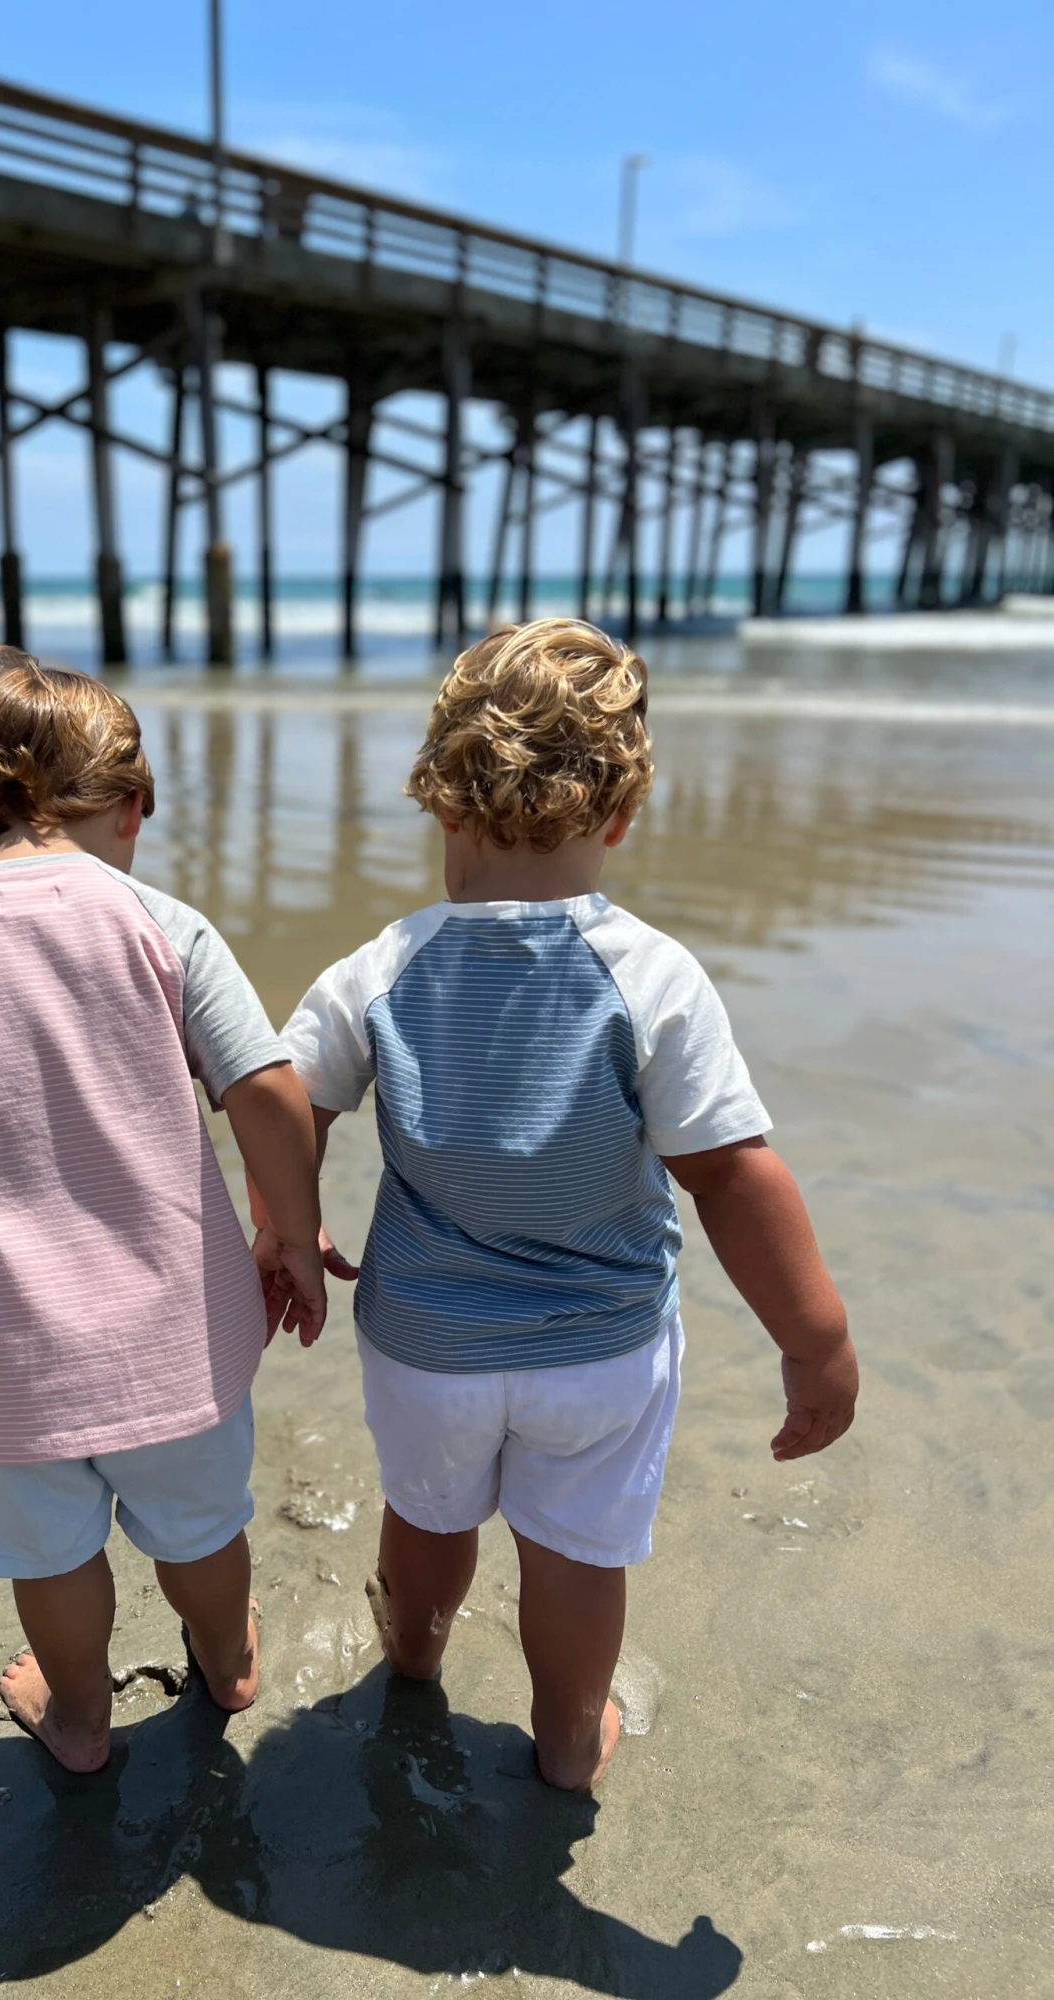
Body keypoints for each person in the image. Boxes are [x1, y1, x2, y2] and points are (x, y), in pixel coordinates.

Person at [270, 619, 858, 1791]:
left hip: (427, 1344)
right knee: (578, 1555)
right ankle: (568, 1736)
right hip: (600, 1351)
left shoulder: (385, 964)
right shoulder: (650, 976)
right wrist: (816, 1338)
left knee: (428, 1521)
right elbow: (732, 1172)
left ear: (442, 799)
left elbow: (285, 1094)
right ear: (622, 814)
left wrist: (290, 1222)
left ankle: (414, 1662)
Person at [0, 647, 326, 1774]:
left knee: (51, 1555)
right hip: (176, 1337)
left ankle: (81, 1716)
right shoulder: (162, 925)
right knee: (201, 1524)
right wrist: (288, 1225)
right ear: (135, 806)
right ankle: (226, 1654)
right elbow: (270, 1095)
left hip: (5, 1352)